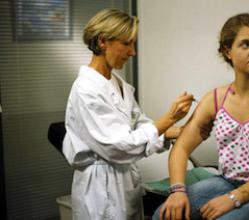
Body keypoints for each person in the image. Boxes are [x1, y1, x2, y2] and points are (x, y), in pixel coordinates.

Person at [153, 13, 249, 220]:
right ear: (227, 51)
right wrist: (177, 191)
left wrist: (234, 198)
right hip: (229, 180)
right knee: (162, 215)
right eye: (245, 45)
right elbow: (181, 147)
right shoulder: (215, 99)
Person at [62, 8, 196, 220]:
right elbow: (118, 147)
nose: (133, 52)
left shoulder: (119, 85)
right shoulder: (85, 90)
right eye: (127, 43)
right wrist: (170, 118)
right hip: (101, 189)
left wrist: (176, 131)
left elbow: (141, 126)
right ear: (103, 41)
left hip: (125, 183)